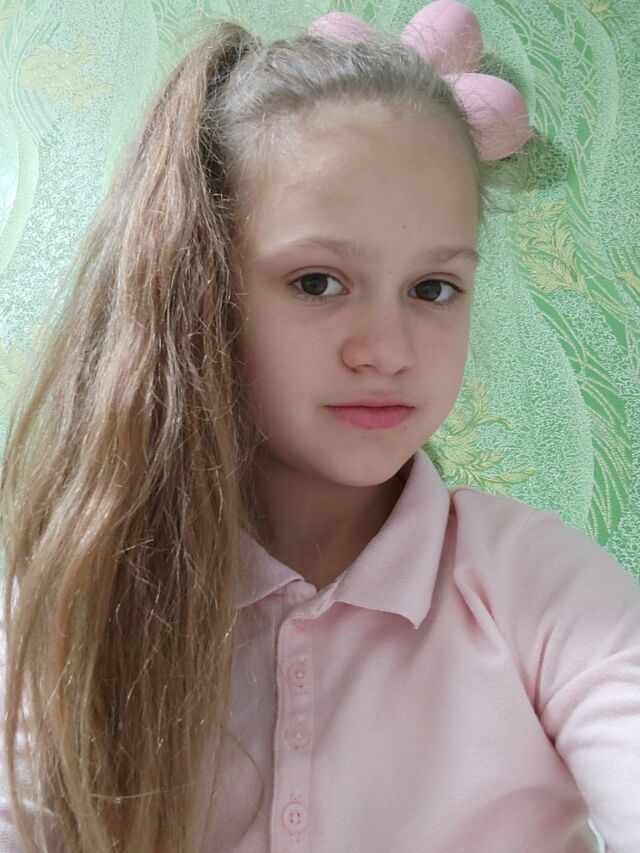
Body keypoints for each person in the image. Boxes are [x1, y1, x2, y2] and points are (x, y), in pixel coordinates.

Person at [0, 4, 638, 852]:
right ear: (200, 287)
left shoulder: (538, 587)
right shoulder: (75, 587)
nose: (389, 350)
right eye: (317, 282)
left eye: (433, 288)